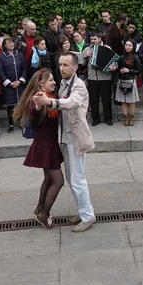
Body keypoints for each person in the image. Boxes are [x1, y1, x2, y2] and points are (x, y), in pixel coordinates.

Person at [33, 52, 96, 232]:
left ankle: (88, 216)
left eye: (65, 65)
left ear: (75, 67)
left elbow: (70, 103)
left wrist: (49, 102)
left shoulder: (79, 86)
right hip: (65, 139)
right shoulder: (62, 83)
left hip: (76, 139)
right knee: (71, 178)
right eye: (60, 64)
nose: (61, 68)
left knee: (77, 180)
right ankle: (84, 212)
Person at [13, 69, 63, 228]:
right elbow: (36, 109)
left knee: (48, 179)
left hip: (49, 144)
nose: (54, 82)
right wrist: (37, 103)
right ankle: (44, 214)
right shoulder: (40, 98)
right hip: (45, 146)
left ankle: (39, 208)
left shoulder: (49, 97)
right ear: (41, 83)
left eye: (54, 80)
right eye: (51, 80)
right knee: (59, 181)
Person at [84, 33, 116, 125]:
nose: (93, 41)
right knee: (94, 100)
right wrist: (85, 56)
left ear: (99, 39)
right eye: (91, 39)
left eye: (94, 39)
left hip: (105, 78)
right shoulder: (87, 49)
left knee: (106, 100)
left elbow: (114, 61)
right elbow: (81, 63)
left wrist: (114, 66)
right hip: (92, 78)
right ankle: (95, 119)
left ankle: (108, 118)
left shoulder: (107, 48)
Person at [0, 35, 27, 133]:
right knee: (10, 105)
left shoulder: (19, 54)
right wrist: (9, 83)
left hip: (19, 84)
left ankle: (21, 122)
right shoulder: (2, 56)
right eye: (8, 43)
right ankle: (11, 124)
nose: (11, 44)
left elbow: (24, 68)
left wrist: (20, 81)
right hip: (9, 85)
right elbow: (0, 71)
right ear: (5, 45)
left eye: (12, 42)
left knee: (20, 104)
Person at [115, 39, 141, 126]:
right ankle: (125, 117)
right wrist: (120, 70)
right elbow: (117, 68)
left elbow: (139, 70)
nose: (127, 47)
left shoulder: (135, 57)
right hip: (122, 80)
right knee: (123, 101)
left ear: (133, 47)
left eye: (130, 45)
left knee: (132, 101)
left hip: (130, 80)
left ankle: (131, 117)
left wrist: (129, 70)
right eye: (126, 45)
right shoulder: (121, 56)